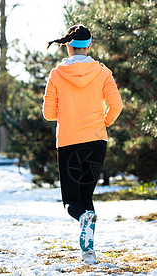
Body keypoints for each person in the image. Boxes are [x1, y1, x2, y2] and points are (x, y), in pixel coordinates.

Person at [42, 24, 123, 264]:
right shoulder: (103, 72)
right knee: (87, 198)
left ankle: (85, 228)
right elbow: (117, 106)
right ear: (89, 46)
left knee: (71, 201)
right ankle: (88, 252)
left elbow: (48, 114)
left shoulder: (57, 74)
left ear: (68, 46)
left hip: (68, 142)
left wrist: (67, 113)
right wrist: (103, 122)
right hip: (97, 141)